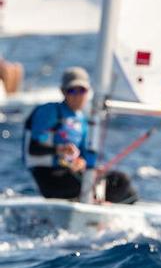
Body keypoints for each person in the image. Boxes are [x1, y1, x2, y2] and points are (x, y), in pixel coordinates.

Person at [24, 67, 138, 203]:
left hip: (75, 175)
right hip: (49, 176)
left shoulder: (82, 120)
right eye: (72, 90)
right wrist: (59, 150)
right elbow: (34, 149)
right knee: (89, 185)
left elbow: (85, 157)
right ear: (63, 92)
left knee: (122, 183)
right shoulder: (49, 112)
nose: (78, 96)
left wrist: (90, 167)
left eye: (82, 90)